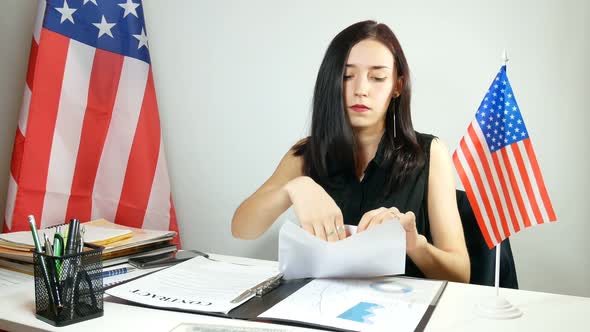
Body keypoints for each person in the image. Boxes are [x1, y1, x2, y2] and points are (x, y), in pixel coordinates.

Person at [231, 20, 470, 283]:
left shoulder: (430, 153)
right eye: (347, 76)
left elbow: (460, 275)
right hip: (319, 309)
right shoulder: (307, 152)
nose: (361, 90)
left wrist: (415, 244)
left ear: (397, 86)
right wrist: (294, 187)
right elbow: (242, 228)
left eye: (377, 77)